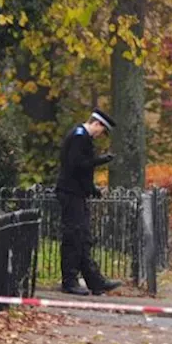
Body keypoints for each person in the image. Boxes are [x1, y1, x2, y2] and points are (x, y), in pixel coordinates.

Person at [55, 110, 122, 296]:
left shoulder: (82, 137)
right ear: (97, 124)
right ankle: (69, 281)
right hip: (71, 193)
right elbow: (77, 165)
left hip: (77, 193)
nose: (100, 135)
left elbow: (82, 172)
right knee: (73, 237)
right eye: (101, 130)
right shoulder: (79, 137)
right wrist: (99, 160)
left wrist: (92, 190)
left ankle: (95, 281)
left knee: (83, 238)